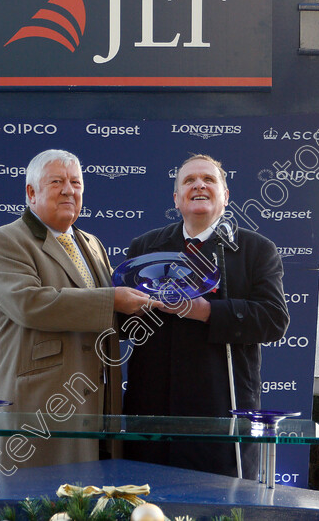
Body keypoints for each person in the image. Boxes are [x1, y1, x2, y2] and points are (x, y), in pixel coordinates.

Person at [0, 149, 153, 469]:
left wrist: (152, 302)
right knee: (35, 508)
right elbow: (29, 303)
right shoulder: (5, 241)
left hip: (98, 409)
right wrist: (114, 300)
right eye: (57, 181)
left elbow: (108, 315)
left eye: (76, 182)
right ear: (31, 192)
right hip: (41, 408)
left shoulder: (92, 243)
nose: (68, 190)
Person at [121, 154, 290, 478]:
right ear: (176, 198)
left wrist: (207, 311)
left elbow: (274, 318)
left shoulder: (255, 249)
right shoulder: (144, 248)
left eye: (209, 179)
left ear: (225, 196)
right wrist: (131, 305)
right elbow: (125, 327)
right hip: (153, 418)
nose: (199, 184)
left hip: (221, 416)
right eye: (189, 180)